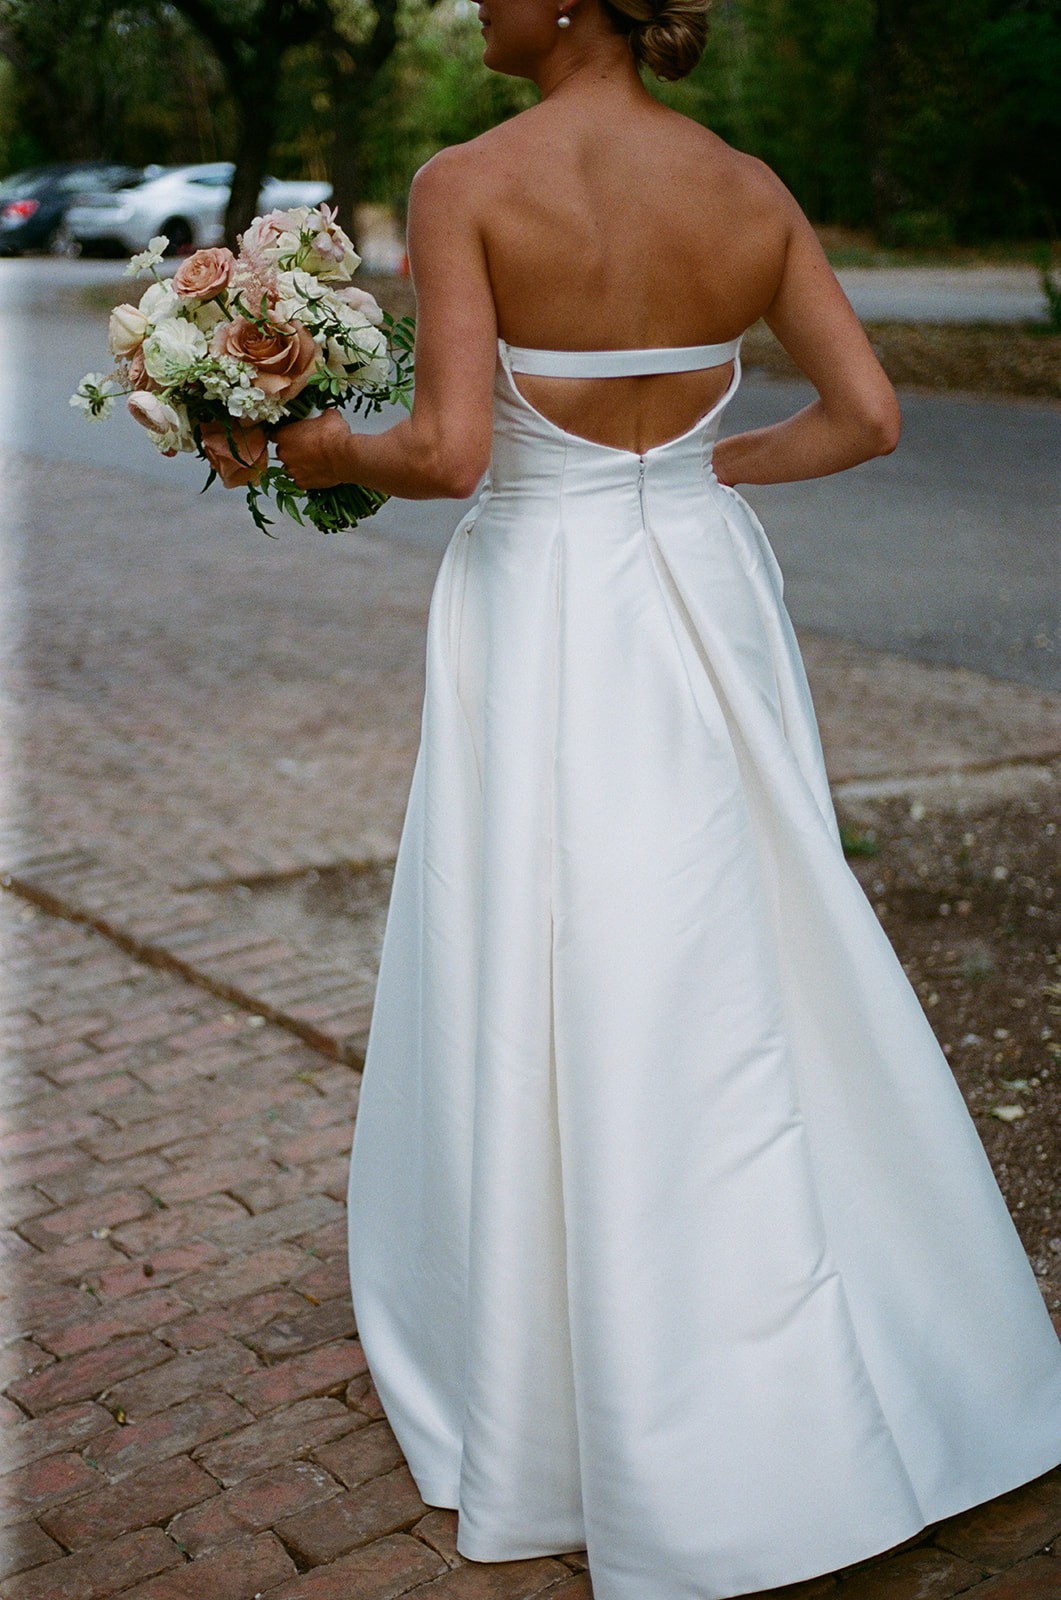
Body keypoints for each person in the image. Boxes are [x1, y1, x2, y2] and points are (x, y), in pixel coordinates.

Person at [275, 2, 1061, 1595]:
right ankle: (841, 1323)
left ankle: (587, 1363)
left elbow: (441, 451)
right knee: (751, 937)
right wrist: (700, 478)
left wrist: (293, 440)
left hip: (553, 599)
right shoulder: (748, 187)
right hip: (705, 591)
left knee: (557, 946)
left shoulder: (466, 179)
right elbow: (868, 418)